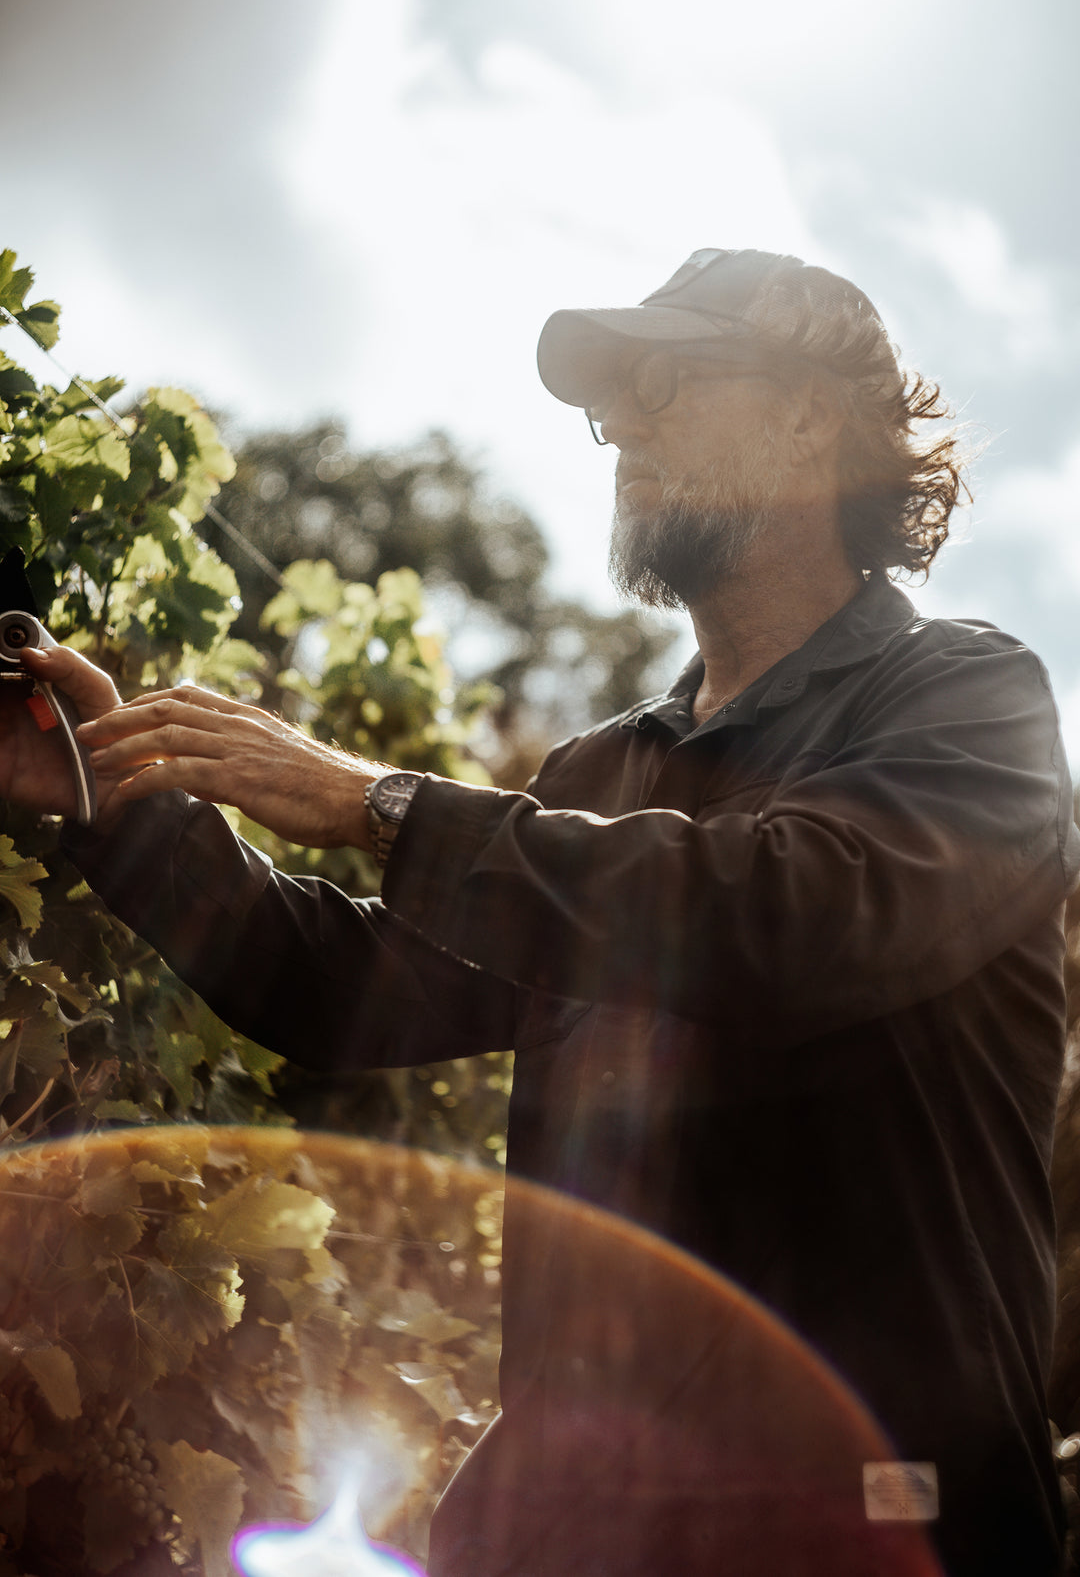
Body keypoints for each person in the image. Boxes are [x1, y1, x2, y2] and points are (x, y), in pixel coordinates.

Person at [2, 248, 1076, 1577]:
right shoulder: (601, 775)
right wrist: (111, 796)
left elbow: (794, 915)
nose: (622, 425)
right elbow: (340, 990)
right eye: (610, 399)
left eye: (667, 380)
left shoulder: (969, 702)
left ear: (813, 418)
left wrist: (381, 805)